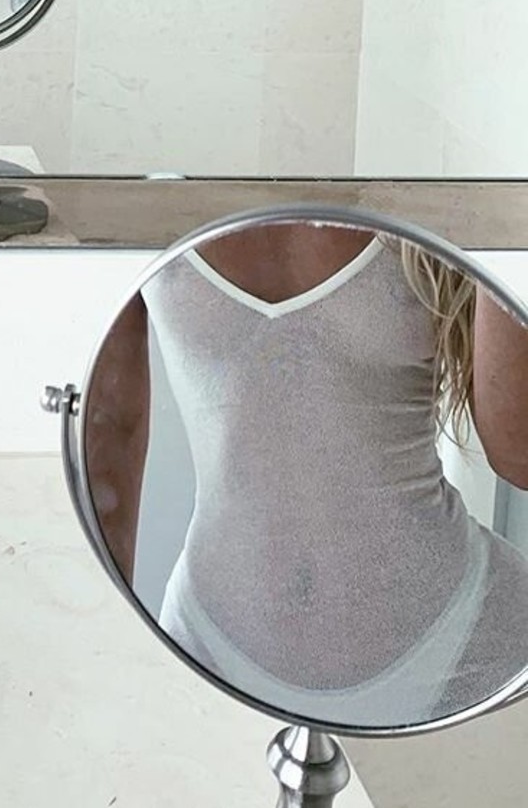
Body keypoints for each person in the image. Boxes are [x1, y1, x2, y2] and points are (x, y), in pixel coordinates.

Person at [85, 222, 528, 725]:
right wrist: (102, 643)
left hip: (466, 647)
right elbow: (108, 425)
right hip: (206, 646)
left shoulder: (436, 181)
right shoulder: (143, 191)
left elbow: (518, 455)